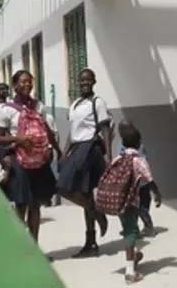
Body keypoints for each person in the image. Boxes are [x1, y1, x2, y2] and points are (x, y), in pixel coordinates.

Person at [0, 70, 61, 242]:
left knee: (35, 205)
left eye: (30, 81)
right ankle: (20, 247)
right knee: (21, 205)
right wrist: (18, 139)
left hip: (39, 162)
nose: (27, 85)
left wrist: (56, 149)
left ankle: (34, 248)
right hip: (20, 162)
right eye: (23, 82)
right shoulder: (6, 110)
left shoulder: (38, 106)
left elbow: (47, 130)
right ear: (15, 85)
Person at [57, 68, 112, 257]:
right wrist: (64, 154)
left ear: (94, 82)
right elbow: (72, 132)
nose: (84, 83)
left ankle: (96, 213)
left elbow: (105, 130)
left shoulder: (98, 102)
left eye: (88, 80)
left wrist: (109, 157)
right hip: (76, 147)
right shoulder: (74, 105)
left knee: (64, 187)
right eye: (81, 81)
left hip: (90, 148)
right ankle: (91, 241)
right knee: (84, 194)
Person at [110, 120, 162, 284]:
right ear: (138, 143)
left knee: (128, 231)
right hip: (132, 202)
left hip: (118, 201)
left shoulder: (118, 158)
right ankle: (130, 272)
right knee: (131, 233)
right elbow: (150, 180)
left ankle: (132, 258)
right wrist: (158, 194)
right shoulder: (139, 160)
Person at [119, 143, 154, 235]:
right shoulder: (138, 150)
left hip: (139, 184)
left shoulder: (133, 152)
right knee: (135, 208)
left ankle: (148, 227)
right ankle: (136, 228)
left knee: (141, 208)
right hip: (138, 184)